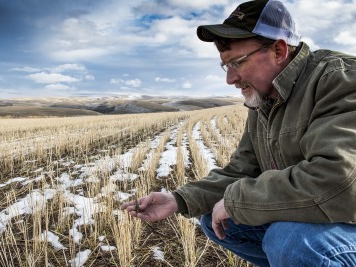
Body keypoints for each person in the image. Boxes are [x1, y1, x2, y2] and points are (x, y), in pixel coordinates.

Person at [121, 0, 356, 266]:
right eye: (225, 66)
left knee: (292, 240)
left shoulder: (340, 79)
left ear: (278, 50)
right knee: (216, 219)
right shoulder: (265, 99)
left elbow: (339, 182)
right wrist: (179, 199)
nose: (230, 79)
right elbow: (242, 171)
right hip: (330, 219)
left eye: (237, 62)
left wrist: (237, 201)